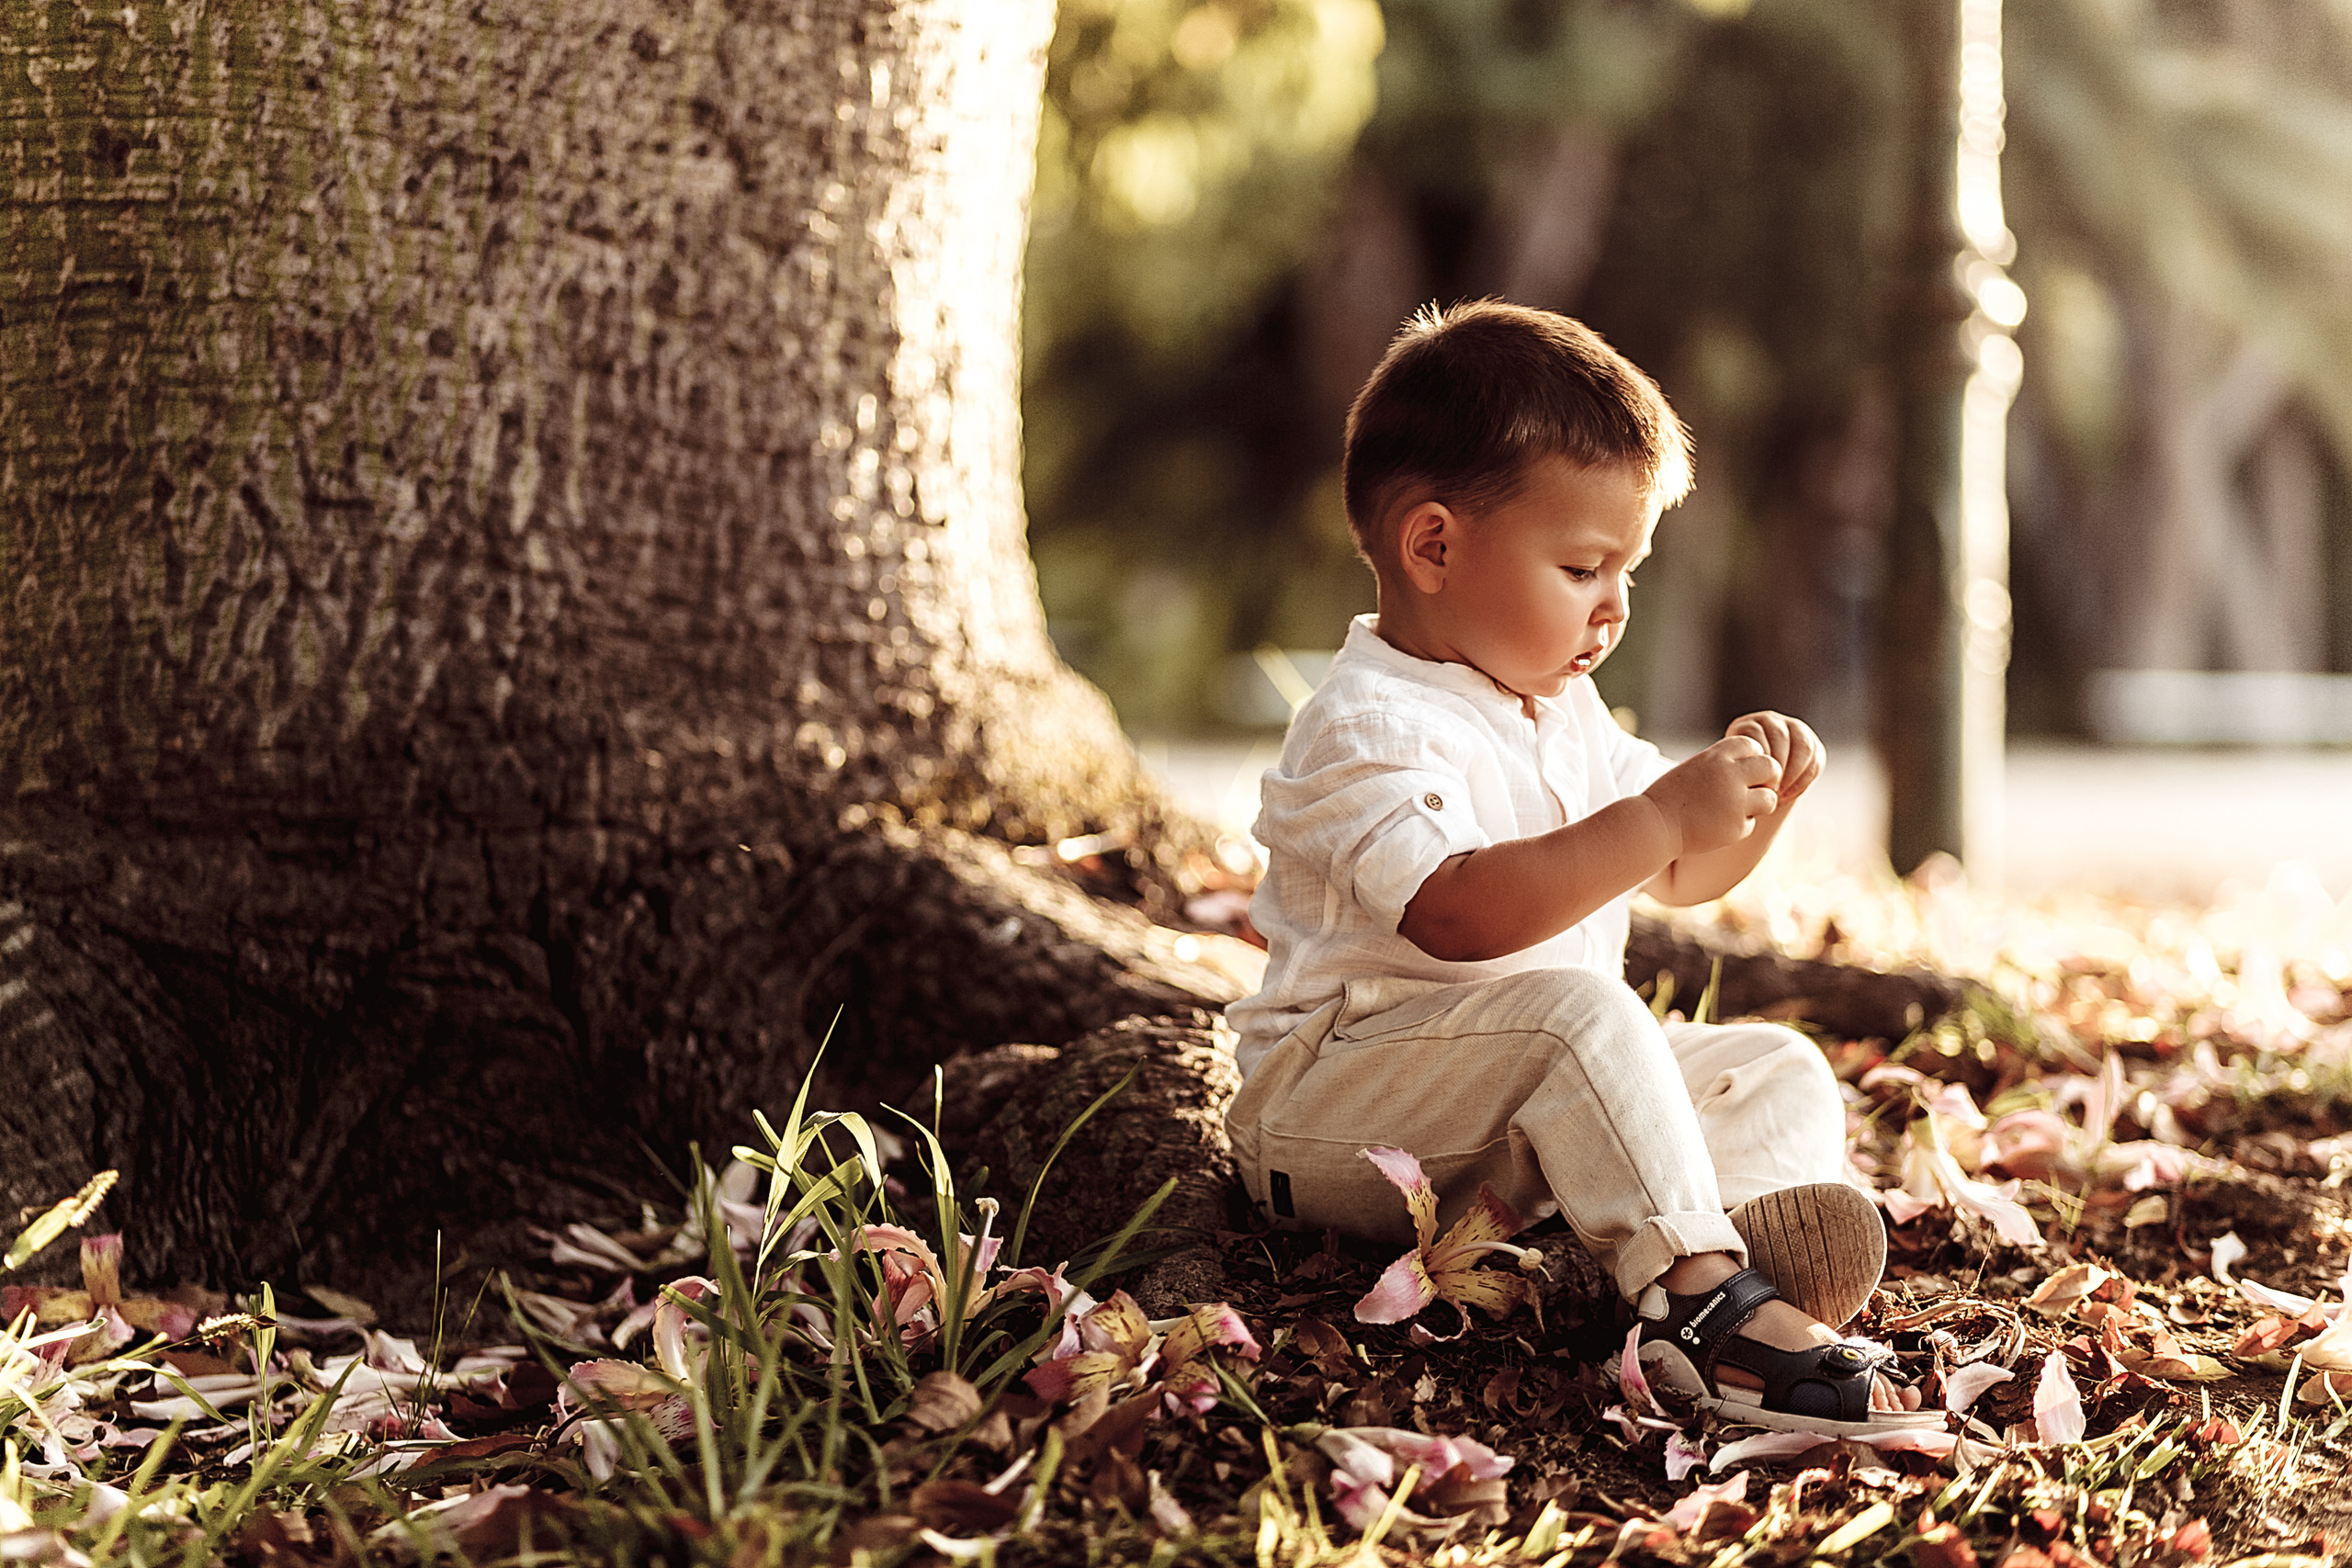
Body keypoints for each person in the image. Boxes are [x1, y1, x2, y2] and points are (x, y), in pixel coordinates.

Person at [1223, 299, 1931, 1436]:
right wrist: (1656, 817)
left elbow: (1679, 879)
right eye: (1582, 566)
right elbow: (1460, 914)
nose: (1613, 608)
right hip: (1339, 1114)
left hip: (1510, 1121)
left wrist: (1743, 811)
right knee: (1585, 1020)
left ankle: (1727, 1241)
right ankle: (1702, 1308)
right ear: (1434, 547)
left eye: (1628, 572)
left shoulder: (1560, 707)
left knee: (1770, 1063)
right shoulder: (1367, 724)